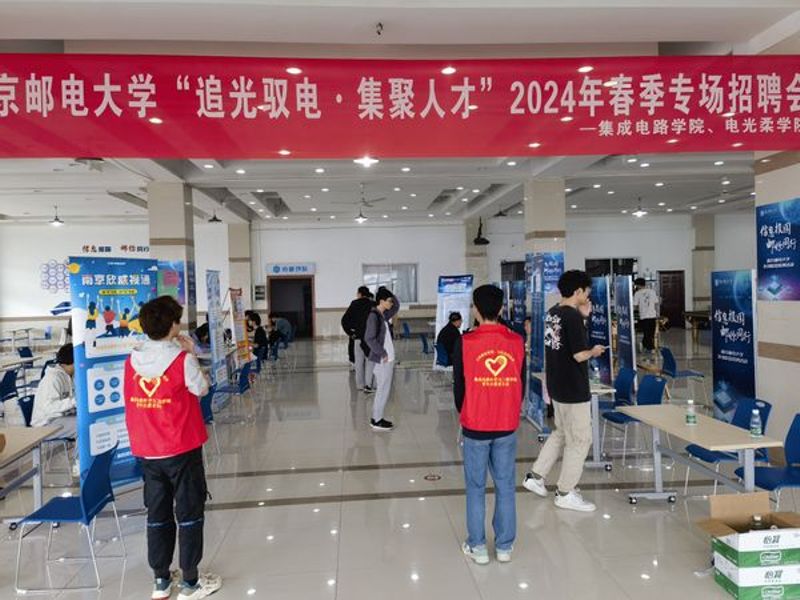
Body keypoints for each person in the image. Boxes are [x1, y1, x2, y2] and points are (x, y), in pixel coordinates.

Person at [123, 296, 222, 600]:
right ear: (172, 325)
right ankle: (190, 583)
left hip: (148, 451)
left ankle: (161, 580)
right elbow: (202, 388)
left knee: (158, 514)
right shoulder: (181, 360)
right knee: (189, 513)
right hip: (181, 448)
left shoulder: (131, 361)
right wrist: (191, 353)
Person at [522, 270, 606, 512]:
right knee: (580, 439)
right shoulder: (571, 317)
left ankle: (536, 476)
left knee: (561, 432)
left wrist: (584, 318)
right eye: (587, 292)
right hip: (573, 386)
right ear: (578, 291)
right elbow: (579, 354)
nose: (588, 296)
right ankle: (565, 492)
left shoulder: (553, 313)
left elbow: (565, 343)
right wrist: (594, 351)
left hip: (557, 384)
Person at [453, 285, 525, 565]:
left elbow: (459, 387)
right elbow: (519, 382)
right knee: (505, 485)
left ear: (476, 310)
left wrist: (466, 412)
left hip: (476, 424)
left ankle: (478, 546)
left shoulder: (465, 342)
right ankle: (505, 547)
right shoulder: (516, 341)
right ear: (501, 308)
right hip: (506, 423)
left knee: (475, 487)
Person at [363, 287, 400, 431]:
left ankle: (378, 417)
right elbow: (369, 338)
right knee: (382, 389)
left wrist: (389, 292)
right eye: (389, 301)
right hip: (382, 359)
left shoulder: (382, 314)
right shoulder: (374, 316)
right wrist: (382, 353)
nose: (391, 303)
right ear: (381, 301)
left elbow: (396, 306)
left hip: (387, 359)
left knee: (384, 389)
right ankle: (376, 419)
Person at [31, 343, 76, 429]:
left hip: (61, 417)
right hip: (46, 423)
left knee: (87, 420)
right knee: (83, 426)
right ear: (73, 361)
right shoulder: (53, 378)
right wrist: (74, 402)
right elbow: (49, 408)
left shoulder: (70, 375)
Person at [341, 286, 376, 392]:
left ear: (360, 294)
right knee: (370, 361)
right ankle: (369, 384)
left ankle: (360, 385)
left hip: (358, 337)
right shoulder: (373, 304)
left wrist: (350, 333)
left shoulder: (354, 304)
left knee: (359, 362)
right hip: (370, 338)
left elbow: (344, 320)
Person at [634, 277, 660, 353]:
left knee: (647, 333)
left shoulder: (637, 293)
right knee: (650, 333)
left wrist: (640, 308)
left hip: (644, 316)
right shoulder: (652, 291)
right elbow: (656, 303)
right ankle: (650, 347)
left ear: (638, 285)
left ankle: (647, 345)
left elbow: (635, 305)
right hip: (652, 315)